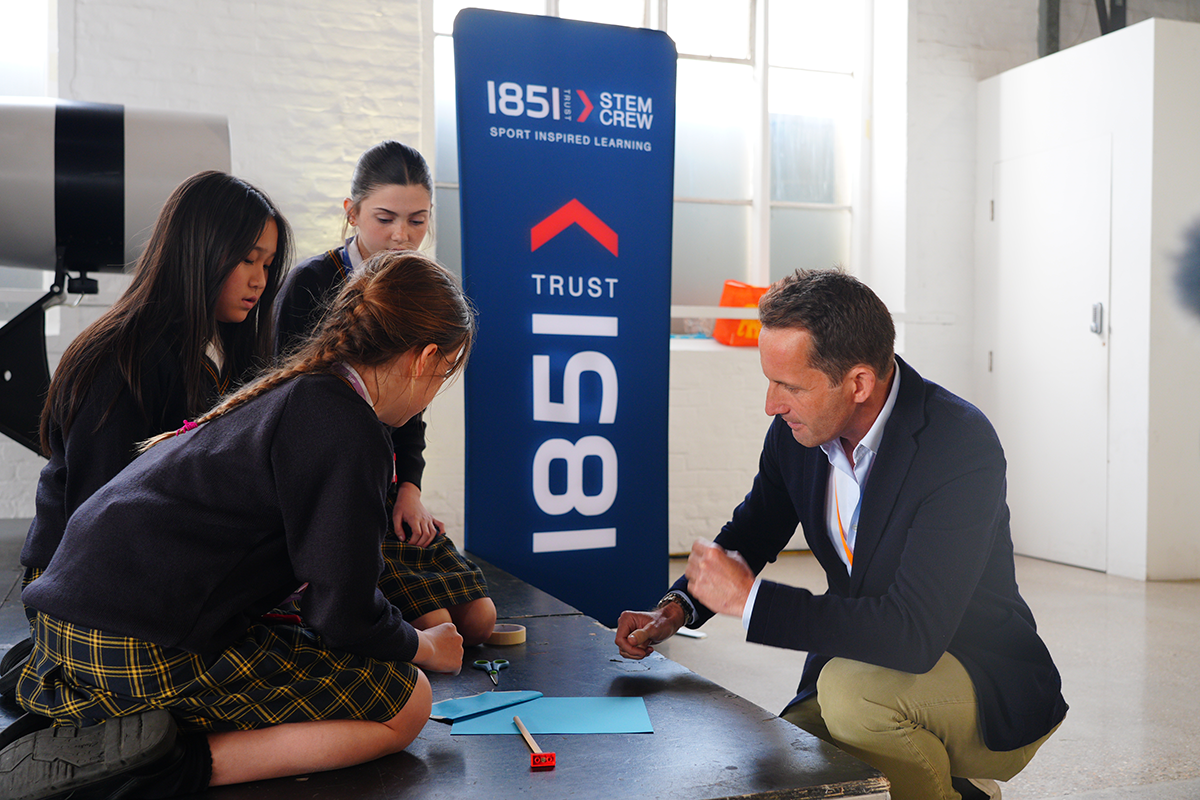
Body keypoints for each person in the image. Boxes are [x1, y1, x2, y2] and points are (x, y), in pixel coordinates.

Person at [0, 250, 472, 799]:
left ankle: (101, 718)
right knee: (408, 701)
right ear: (424, 358)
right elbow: (342, 616)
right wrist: (422, 646)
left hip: (61, 627)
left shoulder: (296, 388)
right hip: (137, 647)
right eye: (444, 373)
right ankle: (162, 766)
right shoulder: (351, 428)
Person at [615, 269, 1067, 800]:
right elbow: (752, 533)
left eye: (790, 386)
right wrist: (677, 609)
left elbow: (914, 632)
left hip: (979, 678)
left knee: (853, 697)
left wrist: (751, 600)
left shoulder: (958, 444)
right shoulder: (797, 435)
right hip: (862, 664)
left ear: (858, 383)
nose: (771, 404)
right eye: (770, 381)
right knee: (788, 768)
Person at [0, 171, 292, 698]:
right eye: (248, 259)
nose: (260, 281)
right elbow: (97, 519)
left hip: (156, 568)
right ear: (198, 251)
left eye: (268, 265)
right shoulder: (121, 360)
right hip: (83, 587)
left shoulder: (222, 349)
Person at [274, 140, 495, 646]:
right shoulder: (311, 283)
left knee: (480, 621)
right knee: (437, 626)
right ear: (351, 213)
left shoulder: (416, 282)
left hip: (385, 483)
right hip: (332, 486)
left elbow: (412, 403)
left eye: (418, 220)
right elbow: (285, 401)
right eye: (385, 218)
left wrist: (409, 488)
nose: (402, 235)